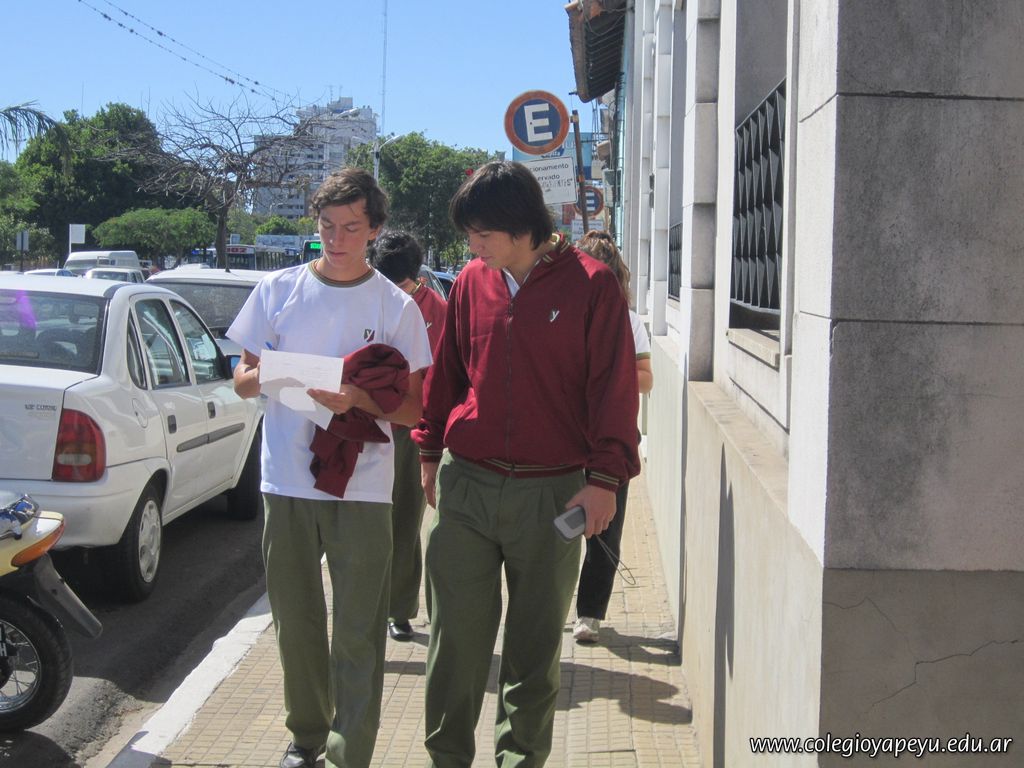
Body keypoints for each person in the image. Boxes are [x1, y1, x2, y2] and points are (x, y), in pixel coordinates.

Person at [412, 161, 641, 768]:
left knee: (534, 650)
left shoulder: (592, 285)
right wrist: (430, 452)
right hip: (468, 484)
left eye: (482, 233)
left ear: (521, 225)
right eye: (469, 234)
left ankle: (519, 759)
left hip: (554, 495)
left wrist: (605, 480)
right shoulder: (471, 282)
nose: (473, 246)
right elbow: (447, 373)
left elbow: (614, 390)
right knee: (453, 641)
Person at [227, 167, 433, 768]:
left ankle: (350, 752)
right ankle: (307, 737)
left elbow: (415, 407)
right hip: (286, 480)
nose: (337, 240)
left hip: (363, 487)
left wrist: (359, 399)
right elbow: (241, 379)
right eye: (326, 226)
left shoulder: (396, 306)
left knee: (358, 631)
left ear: (374, 230)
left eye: (350, 227)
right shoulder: (276, 290)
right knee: (295, 622)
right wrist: (274, 373)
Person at [570, 230, 654, 644]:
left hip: (612, 440)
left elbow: (646, 379)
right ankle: (550, 605)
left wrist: (610, 376)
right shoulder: (561, 315)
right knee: (561, 527)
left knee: (605, 532)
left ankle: (589, 613)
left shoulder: (628, 321)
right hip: (567, 439)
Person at [367, 230, 447, 642]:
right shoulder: (367, 299)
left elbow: (445, 378)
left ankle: (399, 609)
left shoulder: (438, 311)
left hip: (412, 432)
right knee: (364, 521)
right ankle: (366, 606)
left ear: (417, 278)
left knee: (404, 522)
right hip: (365, 424)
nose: (397, 294)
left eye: (403, 286)